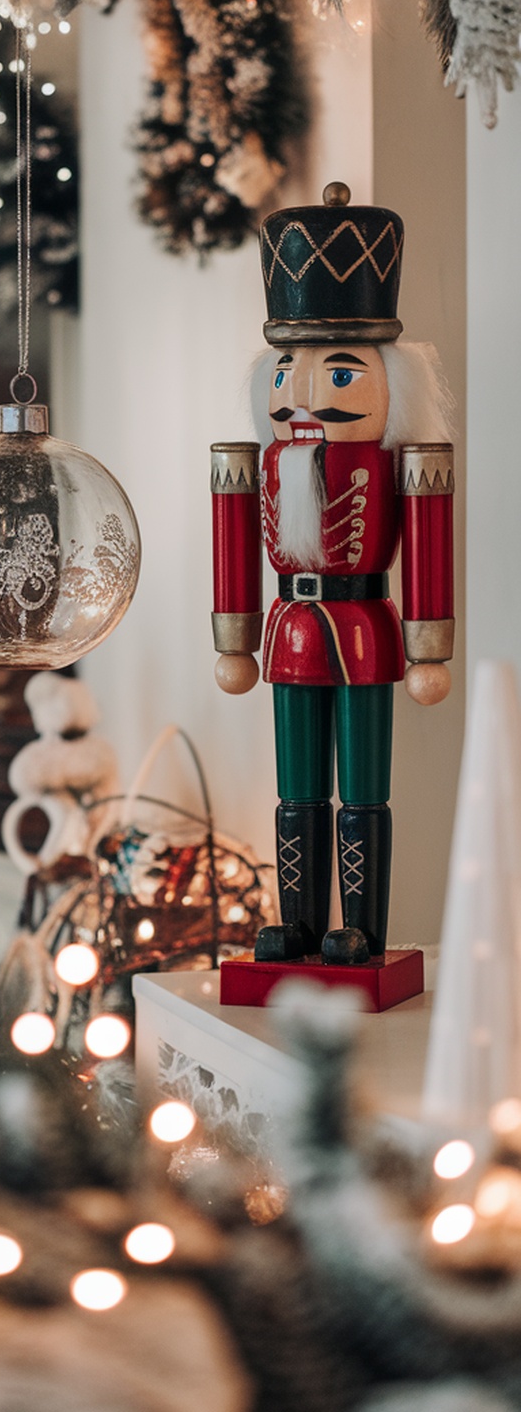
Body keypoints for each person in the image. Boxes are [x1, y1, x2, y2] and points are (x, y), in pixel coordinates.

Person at [210, 183, 454, 964]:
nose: (305, 397)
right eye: (287, 375)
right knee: (298, 790)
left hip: (366, 629)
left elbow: (430, 542)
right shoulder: (259, 462)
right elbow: (231, 543)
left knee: (364, 791)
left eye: (340, 376)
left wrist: (430, 648)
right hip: (290, 633)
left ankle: (363, 931)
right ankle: (300, 925)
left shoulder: (407, 463)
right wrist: (235, 639)